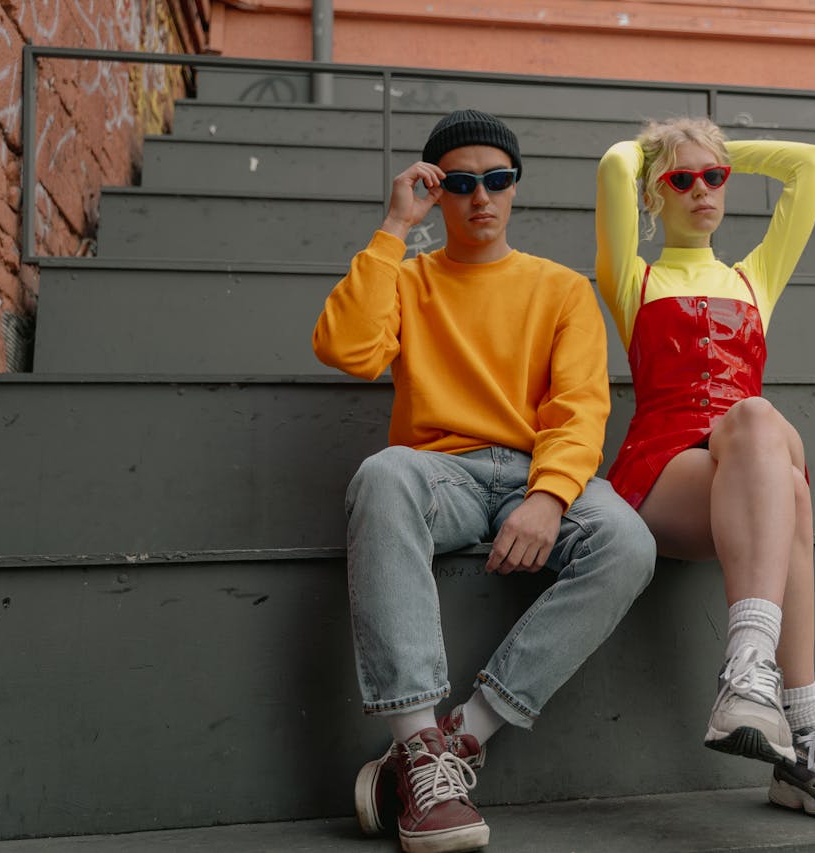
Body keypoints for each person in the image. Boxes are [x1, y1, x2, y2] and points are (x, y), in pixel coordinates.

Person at [315, 109, 656, 853]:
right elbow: (344, 348)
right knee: (382, 475)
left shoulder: (562, 289)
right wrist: (393, 227)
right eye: (460, 182)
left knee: (628, 540)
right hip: (446, 475)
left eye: (496, 179)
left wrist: (546, 496)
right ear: (437, 191)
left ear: (514, 186)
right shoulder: (406, 278)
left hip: (538, 470)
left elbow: (579, 409)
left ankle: (457, 739)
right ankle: (413, 738)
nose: (481, 196)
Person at [595, 117, 815, 818]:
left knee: (771, 445)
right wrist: (662, 147)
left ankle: (773, 704)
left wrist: (714, 147)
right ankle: (794, 716)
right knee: (764, 432)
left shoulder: (753, 277)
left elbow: (809, 163)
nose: (703, 188)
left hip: (752, 478)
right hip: (662, 472)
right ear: (656, 194)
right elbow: (616, 164)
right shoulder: (632, 279)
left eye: (716, 176)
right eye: (682, 179)